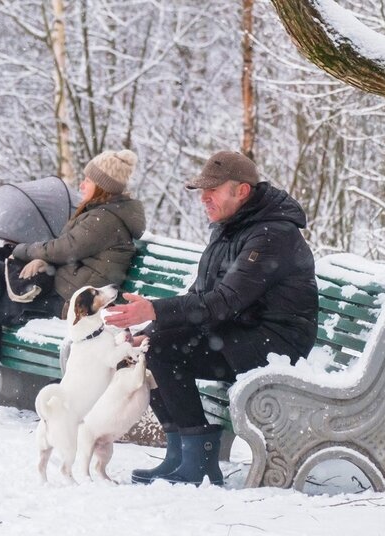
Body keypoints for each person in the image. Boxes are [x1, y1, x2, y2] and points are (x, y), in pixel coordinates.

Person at [104, 150, 318, 486]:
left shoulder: (272, 235)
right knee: (152, 345)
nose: (204, 198)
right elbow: (202, 293)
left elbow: (226, 301)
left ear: (241, 191)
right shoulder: (230, 228)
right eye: (202, 191)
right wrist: (152, 326)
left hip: (275, 341)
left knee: (164, 349)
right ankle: (180, 455)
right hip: (240, 330)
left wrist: (156, 311)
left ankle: (199, 460)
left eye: (212, 190)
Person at [0, 149, 146, 412]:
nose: (82, 185)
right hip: (69, 289)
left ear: (102, 188)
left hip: (75, 302)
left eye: (88, 180)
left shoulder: (104, 218)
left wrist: (22, 251)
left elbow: (64, 249)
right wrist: (44, 260)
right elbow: (68, 251)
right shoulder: (102, 213)